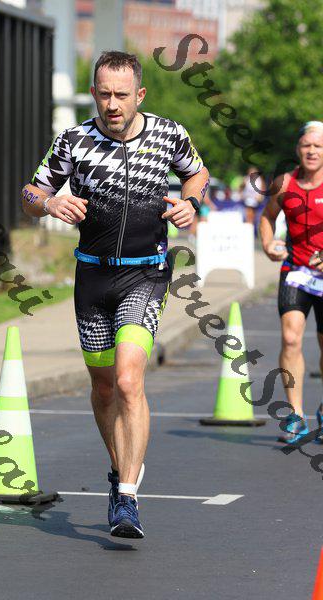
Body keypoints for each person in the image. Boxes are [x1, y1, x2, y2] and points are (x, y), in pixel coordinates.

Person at [22, 51, 209, 537]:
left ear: (139, 94)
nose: (112, 104)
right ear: (93, 93)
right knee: (104, 387)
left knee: (128, 380)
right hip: (92, 277)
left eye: (121, 95)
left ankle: (127, 497)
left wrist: (191, 202)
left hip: (146, 274)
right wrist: (50, 203)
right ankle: (118, 468)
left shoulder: (169, 133)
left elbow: (198, 173)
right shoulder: (73, 140)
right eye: (103, 94)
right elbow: (29, 194)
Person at [259, 121, 323, 444]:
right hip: (296, 270)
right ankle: (296, 415)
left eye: (318, 146)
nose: (312, 151)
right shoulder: (284, 183)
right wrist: (268, 244)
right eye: (306, 145)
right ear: (298, 149)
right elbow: (267, 217)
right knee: (290, 338)